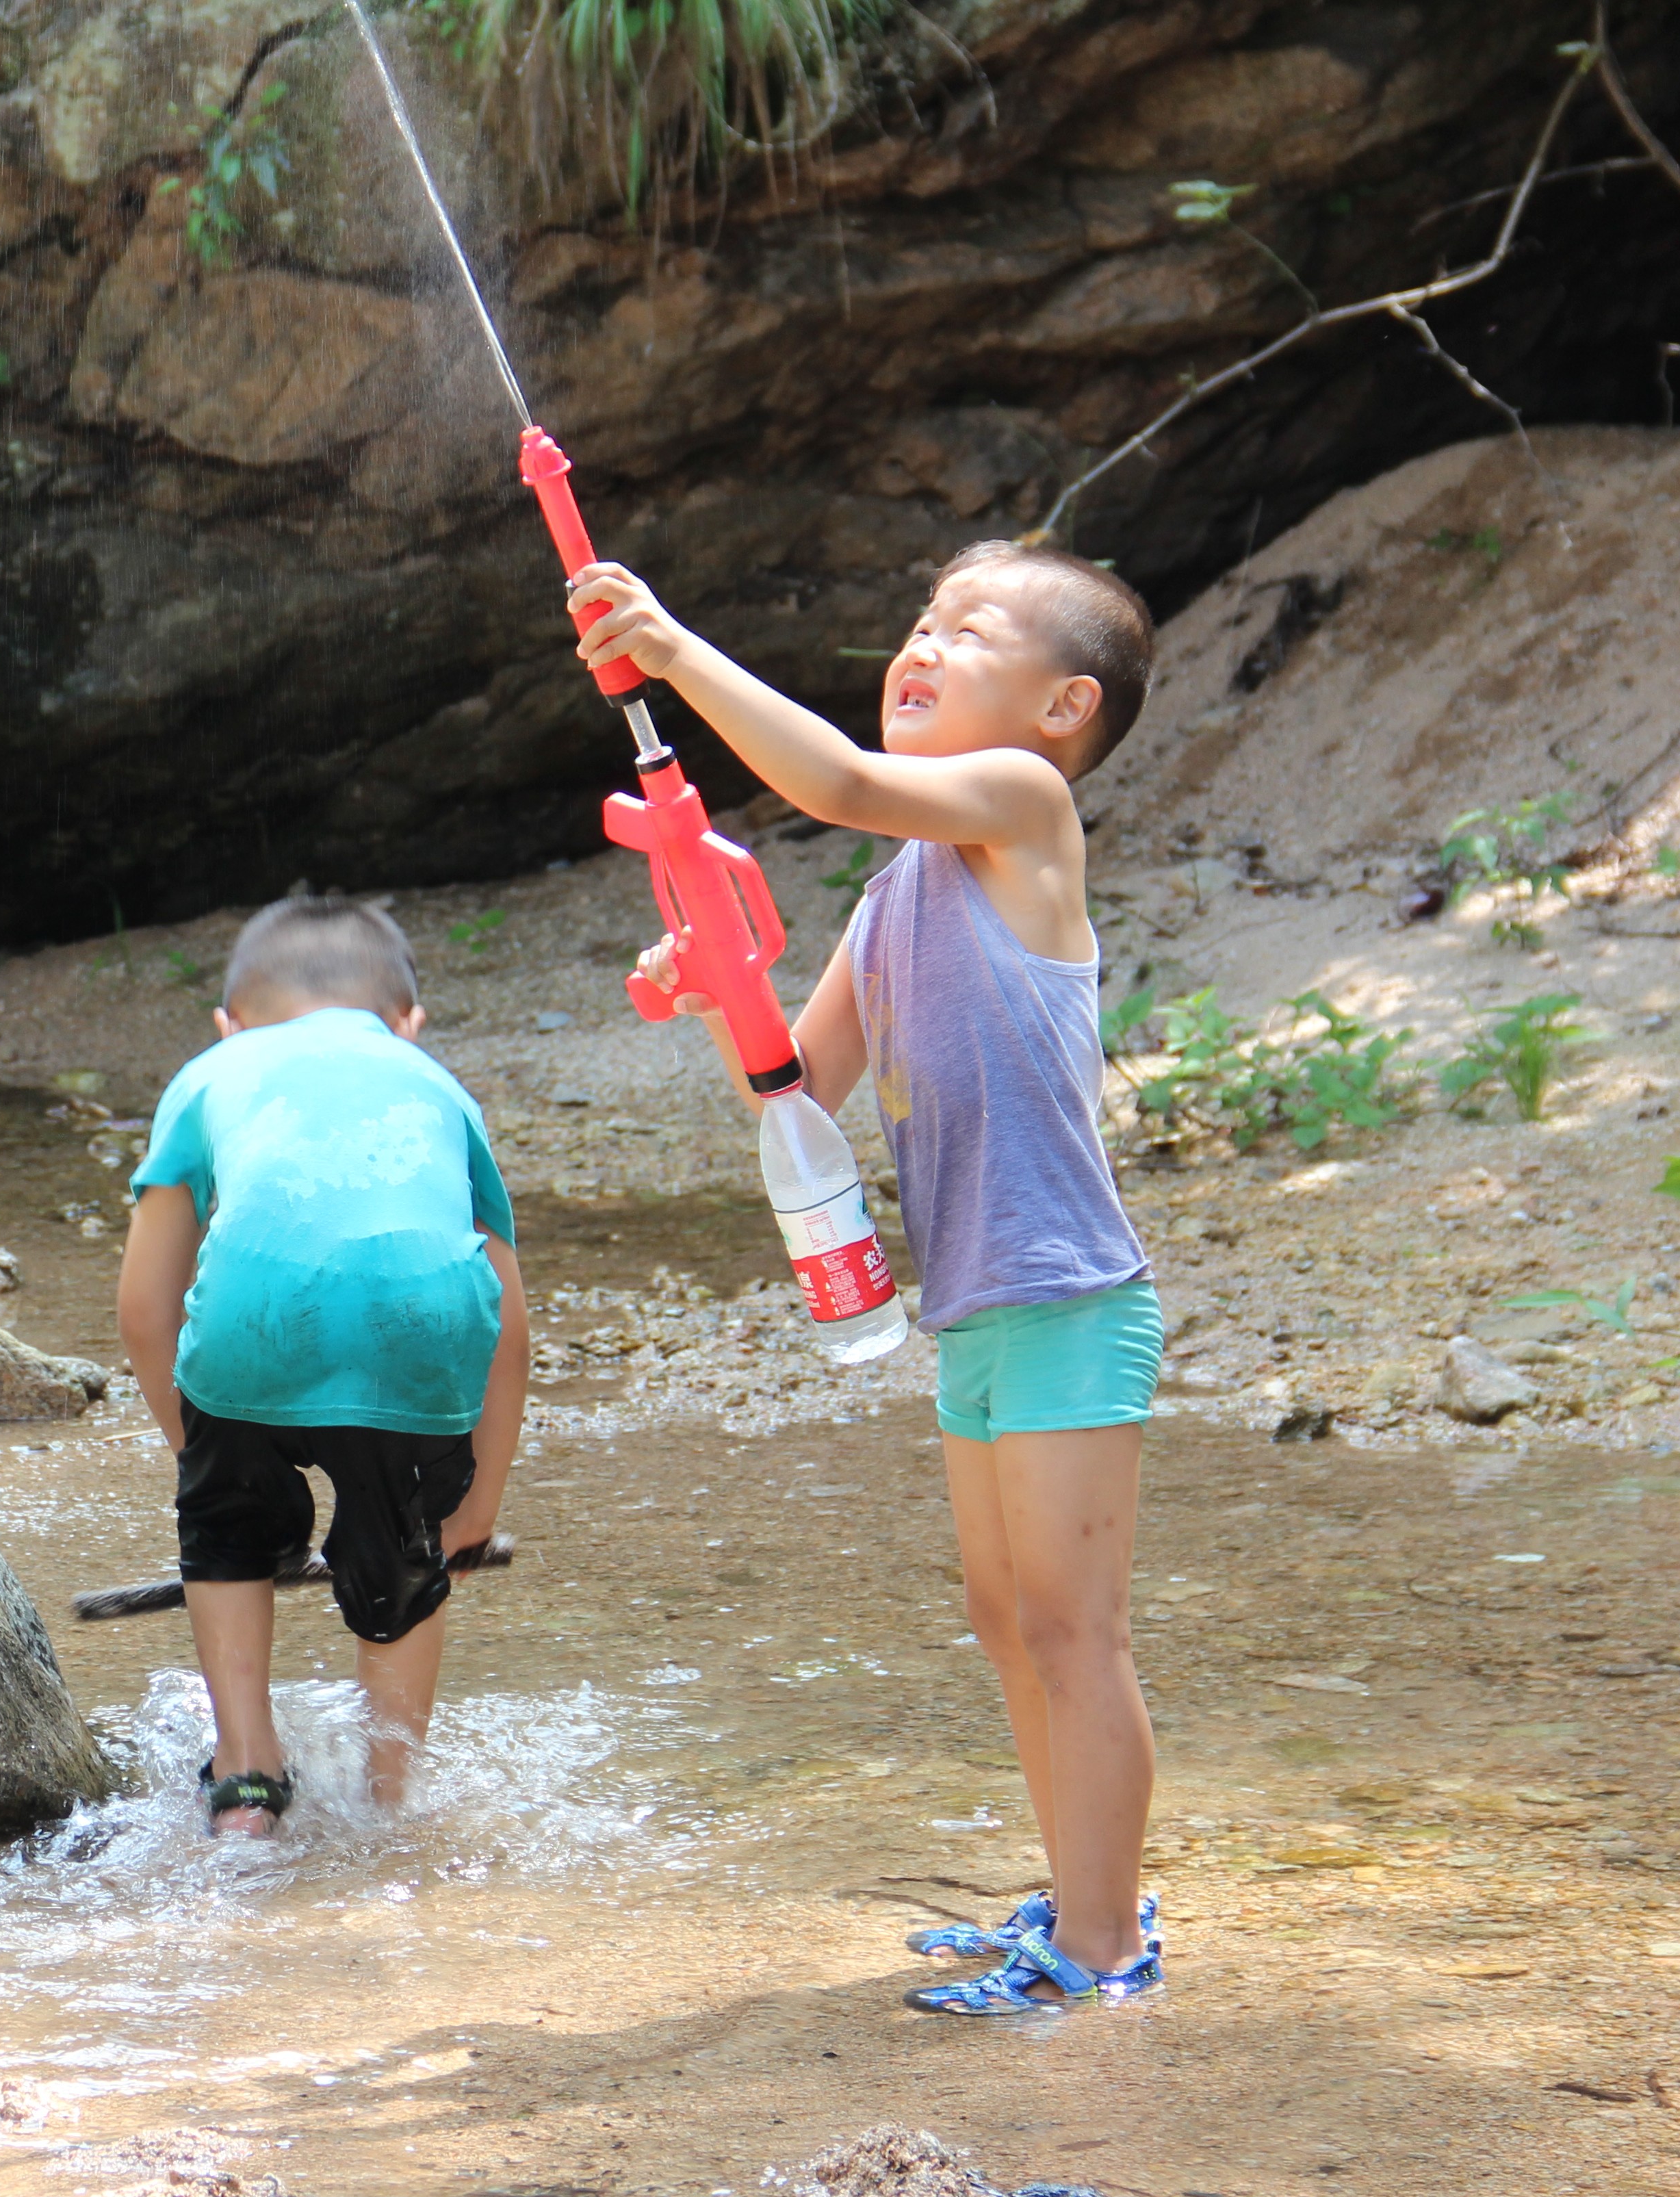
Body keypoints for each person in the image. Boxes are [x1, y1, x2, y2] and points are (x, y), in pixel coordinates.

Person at [567, 541, 1165, 2011]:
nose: (925, 642)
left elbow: (831, 780)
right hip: (975, 1301)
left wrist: (672, 650)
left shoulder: (1027, 812)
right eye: (921, 620)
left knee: (1076, 1626)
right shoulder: (901, 893)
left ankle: (1107, 1947)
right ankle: (1074, 1892)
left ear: (1063, 707)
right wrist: (715, 977)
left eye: (971, 632)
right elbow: (796, 1085)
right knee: (1005, 1616)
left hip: (1070, 1293)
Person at [115, 895, 530, 1838]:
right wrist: (476, 1508)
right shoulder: (433, 1084)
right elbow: (508, 1325)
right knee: (404, 1556)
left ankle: (248, 1777)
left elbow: (146, 1307)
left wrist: (198, 1443)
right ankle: (392, 1795)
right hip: (418, 1339)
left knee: (227, 1537)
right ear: (408, 1023)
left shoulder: (210, 1073)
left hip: (249, 1332)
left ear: (229, 1024)